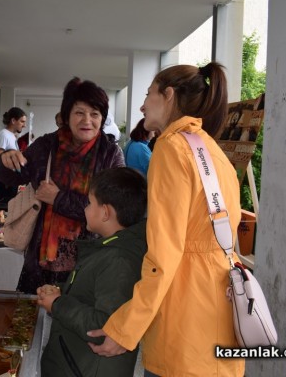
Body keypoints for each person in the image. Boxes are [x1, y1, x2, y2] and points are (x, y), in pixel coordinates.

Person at [88, 62, 245, 376]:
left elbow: (165, 253)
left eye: (149, 94)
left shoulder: (171, 148)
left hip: (184, 323)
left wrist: (125, 328)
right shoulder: (213, 151)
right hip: (222, 310)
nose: (143, 105)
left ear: (169, 94)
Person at [0, 77, 125, 294]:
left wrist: (58, 199)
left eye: (95, 114)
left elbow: (112, 210)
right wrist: (6, 159)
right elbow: (13, 176)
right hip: (40, 263)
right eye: (79, 112)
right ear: (67, 115)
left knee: (73, 322)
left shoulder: (110, 155)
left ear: (102, 119)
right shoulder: (46, 146)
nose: (87, 120)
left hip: (88, 265)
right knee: (32, 322)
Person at [37, 167, 147, 377]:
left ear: (105, 212)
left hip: (86, 367)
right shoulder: (109, 249)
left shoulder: (118, 260)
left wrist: (59, 304)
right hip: (77, 362)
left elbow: (104, 327)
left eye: (89, 203)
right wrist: (59, 292)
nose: (85, 209)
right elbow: (91, 293)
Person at [0, 107, 27, 205]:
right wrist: (5, 179)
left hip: (11, 180)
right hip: (5, 182)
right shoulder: (4, 135)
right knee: (4, 209)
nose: (24, 125)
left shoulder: (11, 135)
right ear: (13, 120)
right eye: (22, 121)